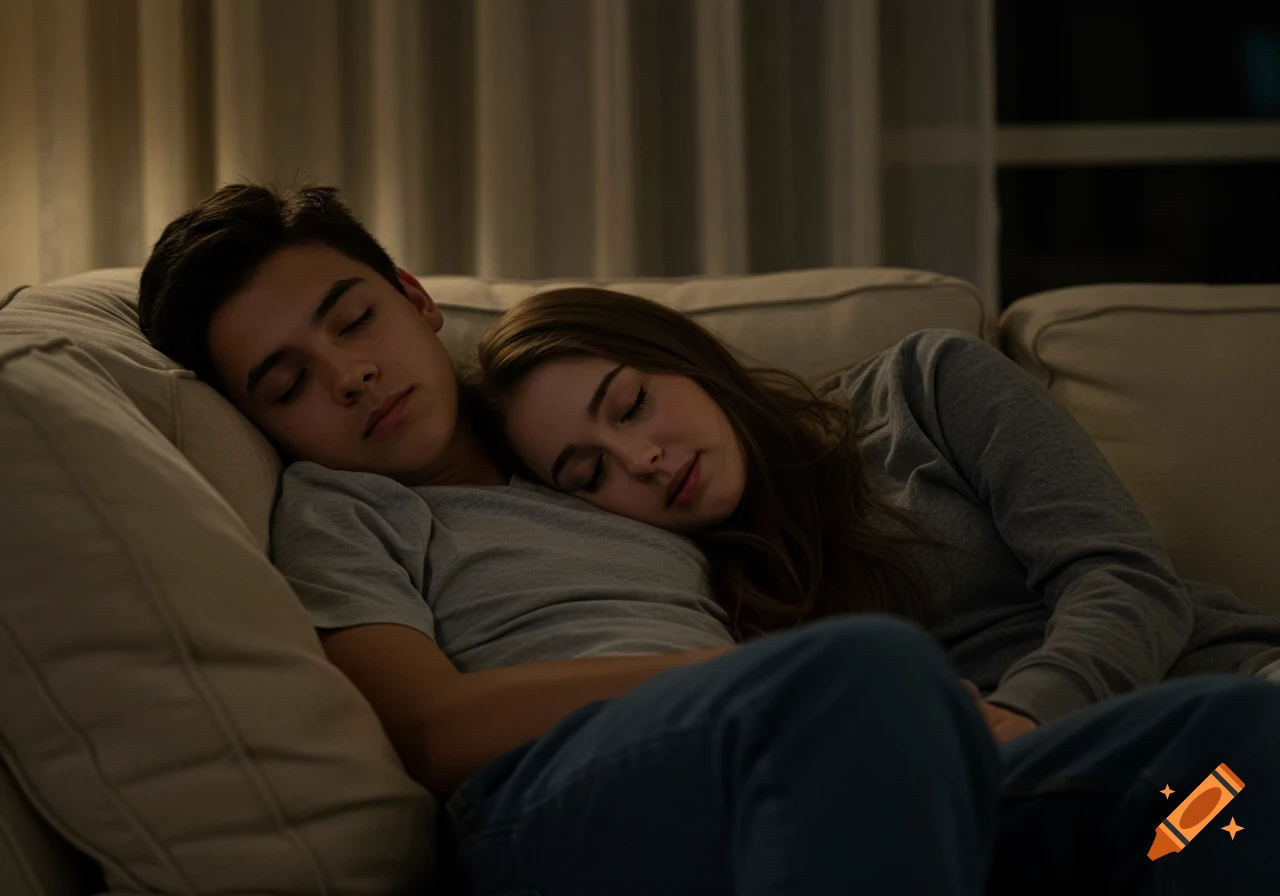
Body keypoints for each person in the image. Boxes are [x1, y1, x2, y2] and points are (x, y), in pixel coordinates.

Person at [138, 183, 1280, 895]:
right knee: (866, 675)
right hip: (566, 786)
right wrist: (749, 675)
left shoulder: (580, 457)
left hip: (808, 756)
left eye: (355, 321)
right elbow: (432, 728)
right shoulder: (343, 507)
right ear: (254, 415)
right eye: (288, 383)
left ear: (415, 297)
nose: (352, 378)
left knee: (1228, 747)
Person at [473, 286, 1280, 729]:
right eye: (589, 473)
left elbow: (1126, 578)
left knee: (1225, 813)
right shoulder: (682, 594)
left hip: (1223, 695)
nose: (639, 461)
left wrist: (1023, 718)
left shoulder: (925, 386)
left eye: (632, 404)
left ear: (684, 358)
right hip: (1064, 795)